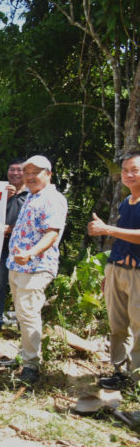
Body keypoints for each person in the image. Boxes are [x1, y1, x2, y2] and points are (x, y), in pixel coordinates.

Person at [6, 155, 67, 384]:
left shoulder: (52, 199)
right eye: (27, 172)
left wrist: (30, 253)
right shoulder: (32, 196)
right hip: (18, 266)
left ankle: (31, 366)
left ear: (48, 174)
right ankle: (25, 356)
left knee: (29, 314)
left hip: (35, 267)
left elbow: (52, 233)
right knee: (23, 314)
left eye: (36, 172)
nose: (30, 177)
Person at [88, 152, 140, 389]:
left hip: (137, 272)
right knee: (117, 326)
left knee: (139, 327)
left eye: (135, 170)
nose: (129, 174)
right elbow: (121, 240)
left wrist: (107, 229)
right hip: (116, 269)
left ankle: (137, 379)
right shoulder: (125, 202)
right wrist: (108, 272)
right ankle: (119, 372)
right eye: (126, 170)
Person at [0, 158, 28, 336]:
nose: (15, 173)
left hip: (23, 250)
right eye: (12, 170)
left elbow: (34, 222)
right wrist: (4, 199)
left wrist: (12, 228)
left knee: (22, 288)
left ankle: (24, 327)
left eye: (19, 170)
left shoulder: (33, 195)